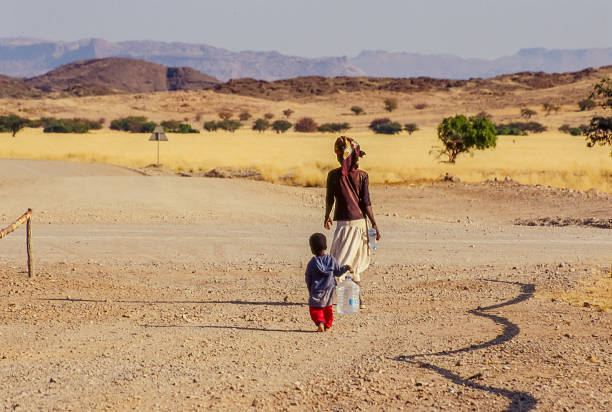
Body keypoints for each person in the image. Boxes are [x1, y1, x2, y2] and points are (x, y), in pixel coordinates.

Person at [324, 136, 380, 309]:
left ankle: (349, 298)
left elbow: (329, 199)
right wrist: (374, 223)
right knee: (351, 261)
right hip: (358, 224)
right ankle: (349, 298)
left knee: (341, 260)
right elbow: (366, 202)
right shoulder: (362, 176)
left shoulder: (333, 175)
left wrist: (327, 215)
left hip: (343, 224)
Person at [305, 233, 353, 332]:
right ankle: (327, 324)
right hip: (330, 290)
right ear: (326, 246)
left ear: (312, 249)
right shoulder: (331, 259)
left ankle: (320, 322)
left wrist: (310, 291)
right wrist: (346, 268)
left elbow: (308, 279)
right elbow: (338, 273)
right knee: (328, 308)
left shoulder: (312, 263)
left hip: (317, 290)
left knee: (315, 308)